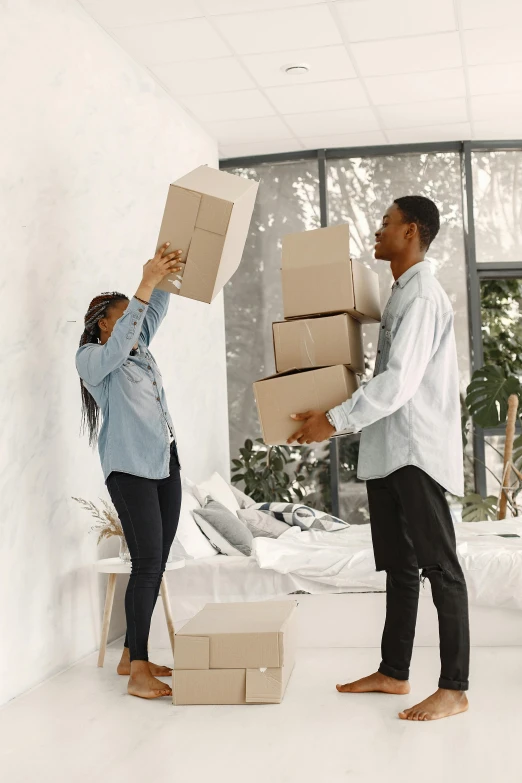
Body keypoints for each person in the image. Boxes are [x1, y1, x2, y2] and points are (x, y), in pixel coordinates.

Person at [288, 196, 470, 722]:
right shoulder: (400, 295)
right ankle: (394, 672)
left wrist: (334, 421)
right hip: (389, 453)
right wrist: (329, 410)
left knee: (441, 567)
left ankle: (455, 687)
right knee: (401, 569)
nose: (377, 230)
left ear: (411, 231)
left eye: (386, 223)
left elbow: (398, 384)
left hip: (415, 452)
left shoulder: (423, 297)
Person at [76, 243, 185, 700]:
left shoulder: (138, 348)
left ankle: (129, 656)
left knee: (155, 564)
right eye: (126, 315)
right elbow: (127, 334)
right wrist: (143, 282)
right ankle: (138, 669)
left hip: (165, 463)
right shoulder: (94, 361)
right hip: (130, 471)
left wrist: (168, 269)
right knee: (145, 565)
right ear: (105, 322)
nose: (136, 324)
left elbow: (153, 306)